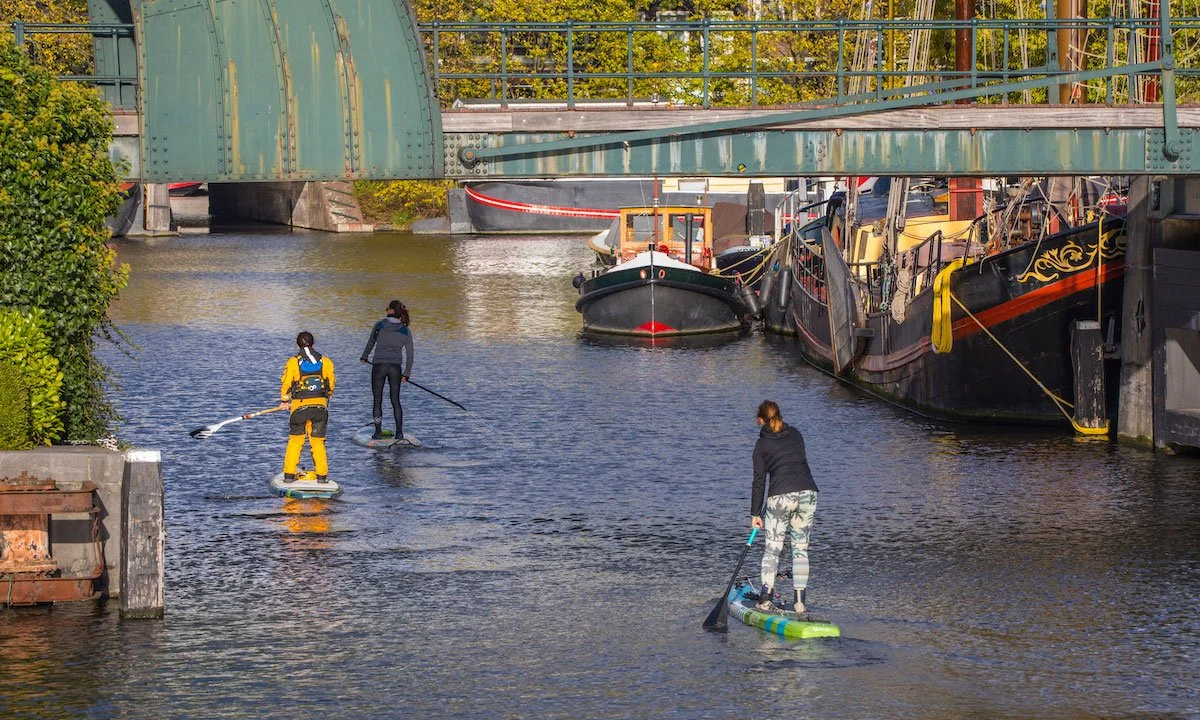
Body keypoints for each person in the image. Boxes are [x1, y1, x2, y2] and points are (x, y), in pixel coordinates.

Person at [750, 400, 819, 613]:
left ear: (761, 419)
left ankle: (765, 599)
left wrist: (755, 514)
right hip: (808, 493)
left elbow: (759, 481)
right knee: (800, 549)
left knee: (773, 549)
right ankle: (800, 603)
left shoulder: (761, 445)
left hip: (780, 497)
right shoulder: (796, 434)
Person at [279, 332, 336, 482]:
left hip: (299, 408)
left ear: (297, 345)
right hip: (320, 409)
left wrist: (284, 400)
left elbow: (286, 383)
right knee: (317, 442)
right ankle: (322, 477)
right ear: (313, 344)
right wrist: (328, 394)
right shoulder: (326, 362)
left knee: (296, 441)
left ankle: (289, 476)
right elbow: (330, 385)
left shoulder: (293, 362)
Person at [360, 300, 414, 440]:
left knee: (377, 400)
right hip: (395, 368)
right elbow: (410, 354)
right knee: (395, 400)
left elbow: (371, 341)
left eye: (387, 309)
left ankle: (377, 432)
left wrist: (364, 356)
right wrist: (406, 374)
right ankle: (399, 433)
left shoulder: (380, 325)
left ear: (390, 311)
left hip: (379, 365)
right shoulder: (405, 330)